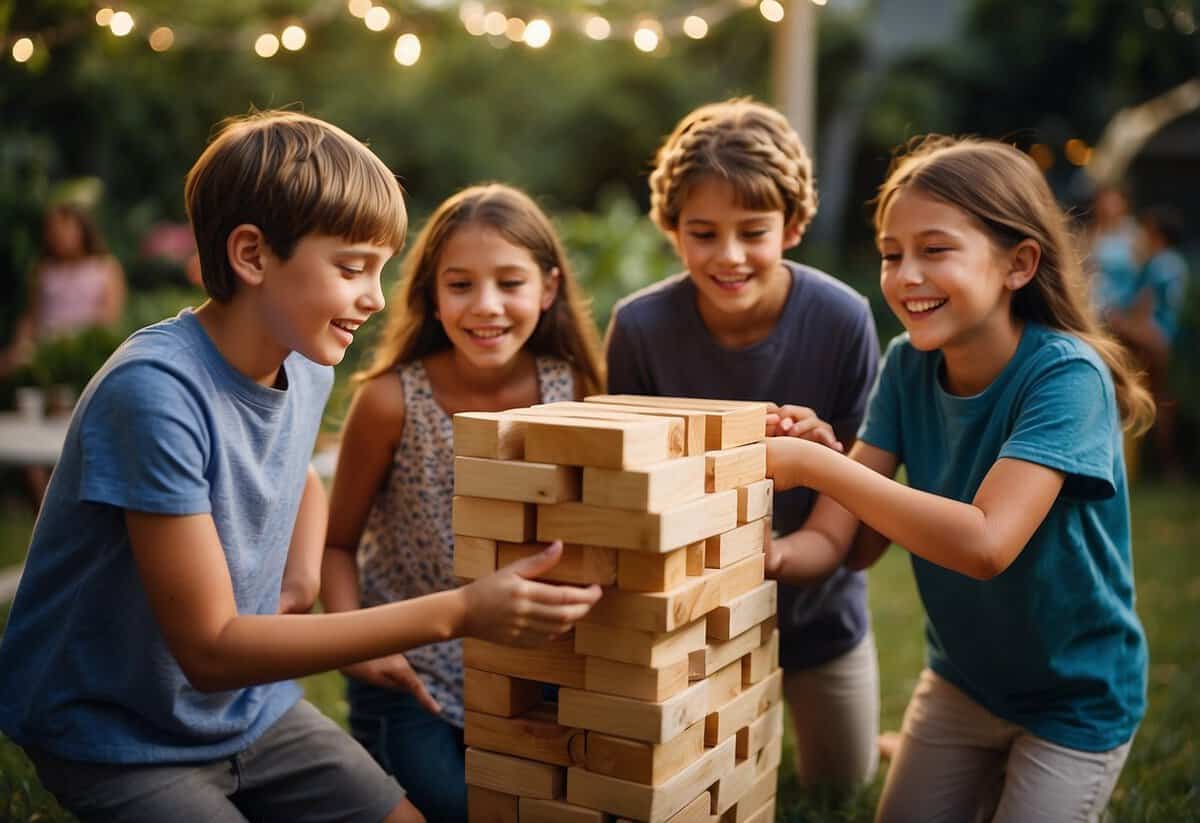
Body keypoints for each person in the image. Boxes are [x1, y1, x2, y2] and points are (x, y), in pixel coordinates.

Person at [0, 112, 601, 823]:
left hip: (251, 710)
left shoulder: (304, 356)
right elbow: (213, 647)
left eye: (380, 270)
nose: (376, 298)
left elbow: (297, 468)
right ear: (252, 255)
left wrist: (304, 568)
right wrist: (462, 610)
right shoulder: (154, 393)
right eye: (352, 268)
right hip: (120, 732)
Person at [765, 135, 1155, 822]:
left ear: (1019, 263)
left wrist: (826, 470)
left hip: (1075, 698)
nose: (905, 274)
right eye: (891, 254)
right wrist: (826, 458)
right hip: (964, 682)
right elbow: (854, 546)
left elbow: (985, 544)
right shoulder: (906, 365)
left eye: (935, 250)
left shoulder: (1065, 375)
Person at [604, 98, 883, 790]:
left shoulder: (843, 318)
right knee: (684, 781)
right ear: (671, 228)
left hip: (820, 615)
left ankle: (883, 739)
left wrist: (821, 453)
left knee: (838, 786)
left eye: (752, 231)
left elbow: (864, 488)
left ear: (791, 226)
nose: (728, 256)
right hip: (689, 620)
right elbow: (627, 482)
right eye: (703, 232)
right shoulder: (638, 328)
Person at [321, 183, 604, 822]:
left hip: (536, 661)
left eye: (510, 282)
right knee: (455, 810)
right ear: (431, 296)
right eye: (460, 286)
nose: (487, 307)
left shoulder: (576, 391)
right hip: (412, 670)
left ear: (549, 289)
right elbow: (337, 544)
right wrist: (359, 647)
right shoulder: (392, 401)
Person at [1105, 205, 1188, 478]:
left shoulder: (1160, 264)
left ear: (1157, 234)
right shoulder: (1174, 262)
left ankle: (1157, 465)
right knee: (1161, 402)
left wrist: (1118, 321)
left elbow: (1144, 306)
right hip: (1164, 338)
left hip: (1155, 338)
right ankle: (1166, 467)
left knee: (1150, 398)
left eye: (1147, 231)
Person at [1, 202, 127, 378]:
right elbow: (31, 315)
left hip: (85, 352)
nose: (59, 236)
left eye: (66, 229)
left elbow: (109, 318)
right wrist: (21, 346)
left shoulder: (105, 268)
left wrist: (73, 345)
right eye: (53, 231)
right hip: (43, 351)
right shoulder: (42, 270)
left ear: (82, 230)